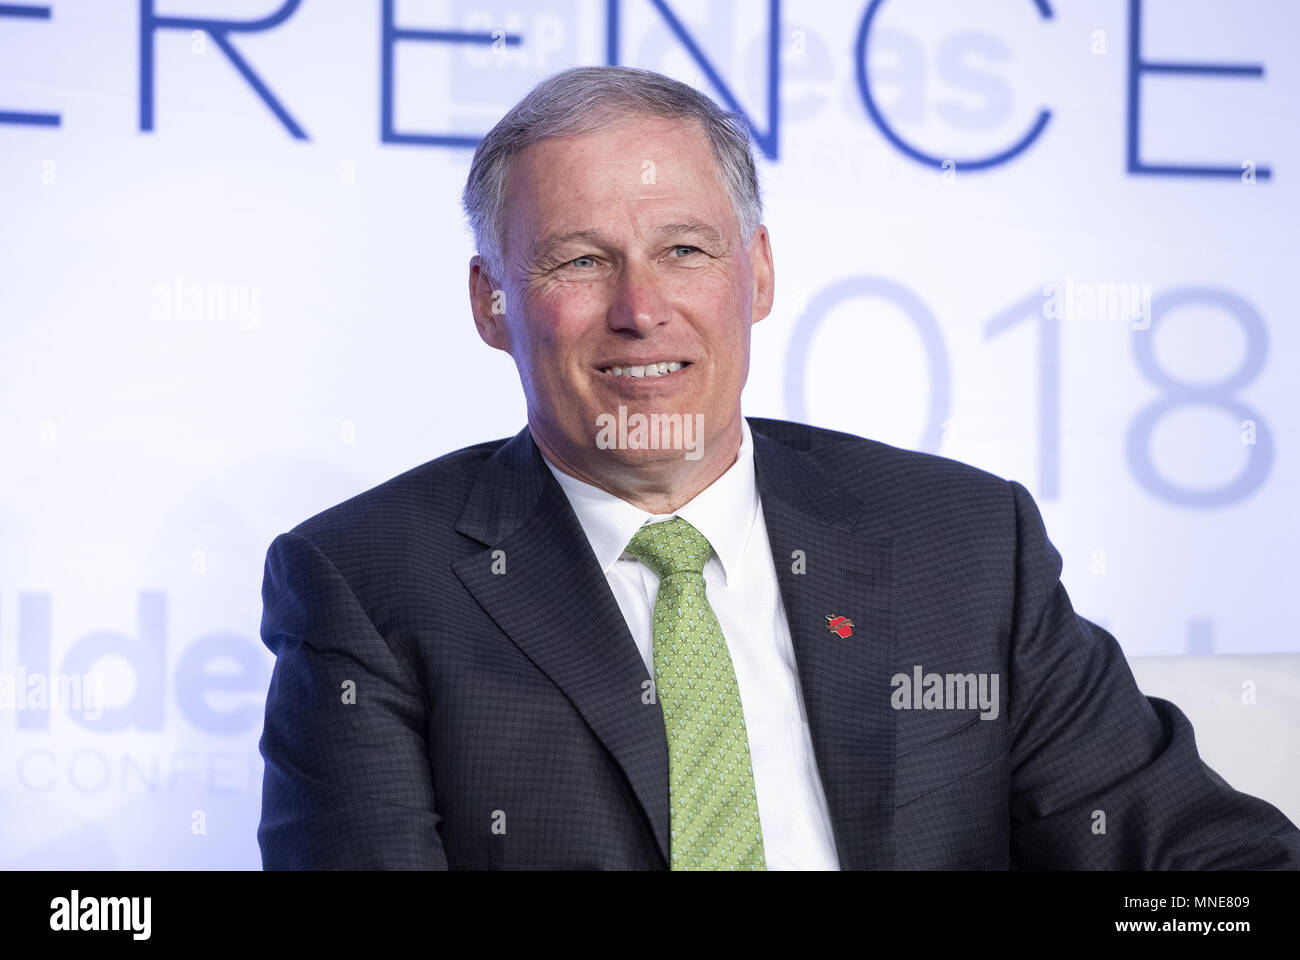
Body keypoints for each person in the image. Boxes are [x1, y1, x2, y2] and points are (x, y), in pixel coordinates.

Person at [256, 65, 1300, 870]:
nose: (640, 309)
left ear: (755, 274)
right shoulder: (366, 583)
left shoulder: (967, 545)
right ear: (492, 303)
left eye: (685, 250)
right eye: (579, 260)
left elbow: (1190, 857)